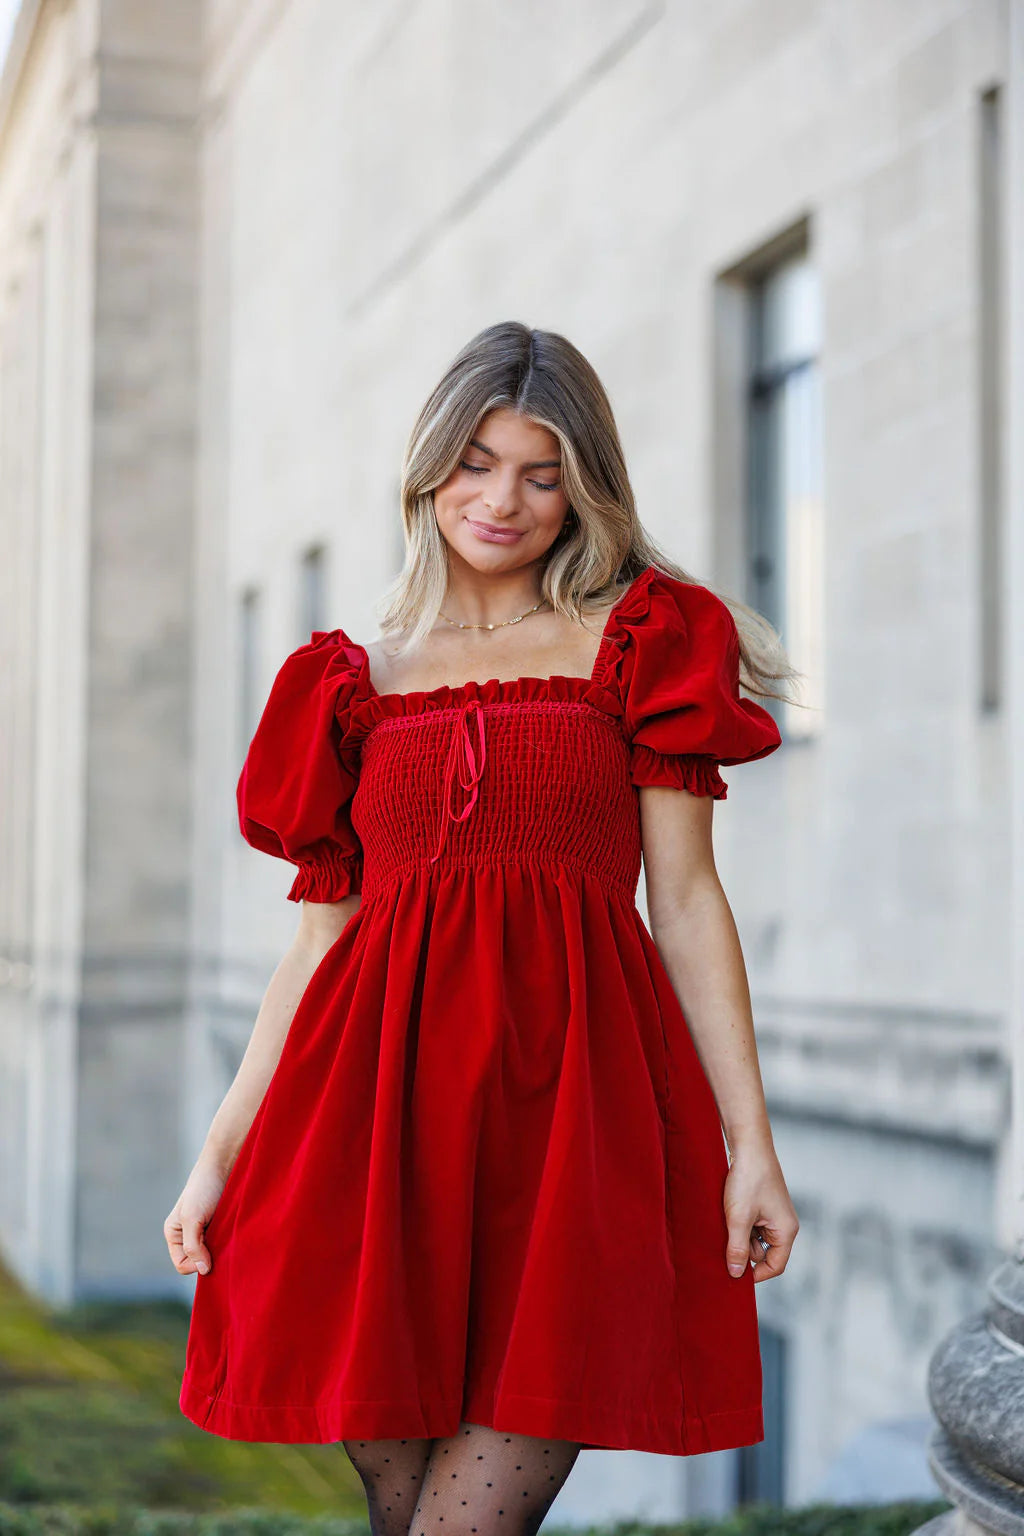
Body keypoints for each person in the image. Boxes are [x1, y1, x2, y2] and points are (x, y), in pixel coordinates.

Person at [167, 321, 801, 1536]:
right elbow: (318, 947)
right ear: (428, 471)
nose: (501, 498)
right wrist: (219, 1155)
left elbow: (684, 904)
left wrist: (748, 1142)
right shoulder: (346, 679)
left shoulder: (645, 642)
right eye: (475, 462)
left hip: (572, 1121)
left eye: (541, 471)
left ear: (585, 489)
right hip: (371, 1127)